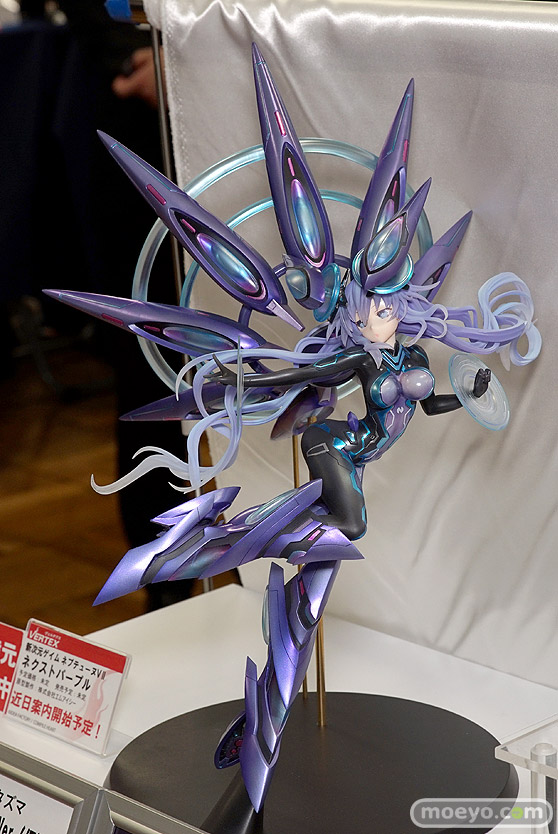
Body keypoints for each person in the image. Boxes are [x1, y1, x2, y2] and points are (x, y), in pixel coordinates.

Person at [46, 44, 541, 813]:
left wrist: (468, 391)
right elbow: (299, 379)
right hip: (331, 448)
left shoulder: (406, 356)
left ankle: (258, 723)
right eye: (377, 307)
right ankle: (225, 542)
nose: (390, 313)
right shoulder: (353, 356)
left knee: (314, 579)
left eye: (393, 304)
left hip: (356, 454)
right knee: (346, 523)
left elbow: (431, 401)